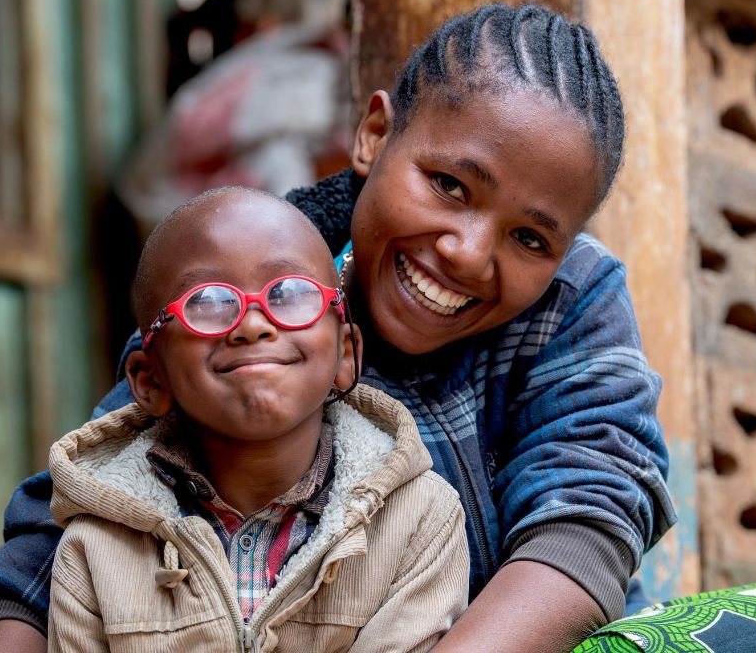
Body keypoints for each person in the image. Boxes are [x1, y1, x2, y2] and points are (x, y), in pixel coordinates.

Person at [0, 3, 756, 653]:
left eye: (530, 235)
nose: (471, 253)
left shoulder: (575, 306)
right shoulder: (267, 274)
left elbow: (590, 519)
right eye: (448, 185)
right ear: (374, 135)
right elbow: (78, 502)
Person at [46, 187, 468, 651]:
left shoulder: (419, 518)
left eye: (290, 294)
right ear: (151, 380)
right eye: (207, 301)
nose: (253, 324)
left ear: (346, 355)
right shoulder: (95, 546)